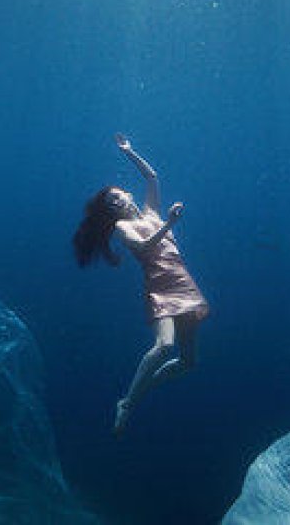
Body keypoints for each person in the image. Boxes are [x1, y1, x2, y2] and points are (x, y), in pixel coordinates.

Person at [73, 133, 210, 437]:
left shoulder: (150, 211)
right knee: (164, 346)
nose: (118, 199)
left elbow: (152, 176)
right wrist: (170, 224)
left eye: (118, 194)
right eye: (112, 202)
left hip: (184, 283)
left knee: (189, 363)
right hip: (161, 286)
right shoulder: (124, 227)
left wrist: (129, 152)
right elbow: (145, 247)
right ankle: (127, 403)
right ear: (112, 211)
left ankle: (142, 387)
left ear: (128, 195)